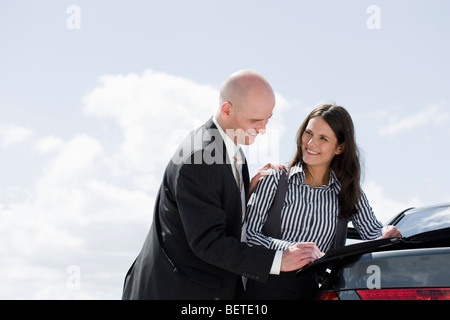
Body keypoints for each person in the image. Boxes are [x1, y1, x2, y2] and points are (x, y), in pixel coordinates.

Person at [121, 70, 323, 300]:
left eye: (268, 119)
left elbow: (208, 204)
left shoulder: (231, 146)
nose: (263, 129)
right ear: (227, 110)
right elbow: (209, 242)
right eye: (255, 121)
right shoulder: (199, 157)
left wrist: (243, 193)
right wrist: (279, 259)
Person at [239, 103, 401, 300]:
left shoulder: (348, 193)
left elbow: (373, 233)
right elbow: (248, 234)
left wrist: (387, 232)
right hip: (262, 292)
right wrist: (290, 251)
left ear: (340, 148)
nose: (311, 143)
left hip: (313, 294)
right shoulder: (274, 179)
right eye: (308, 133)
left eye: (323, 138)